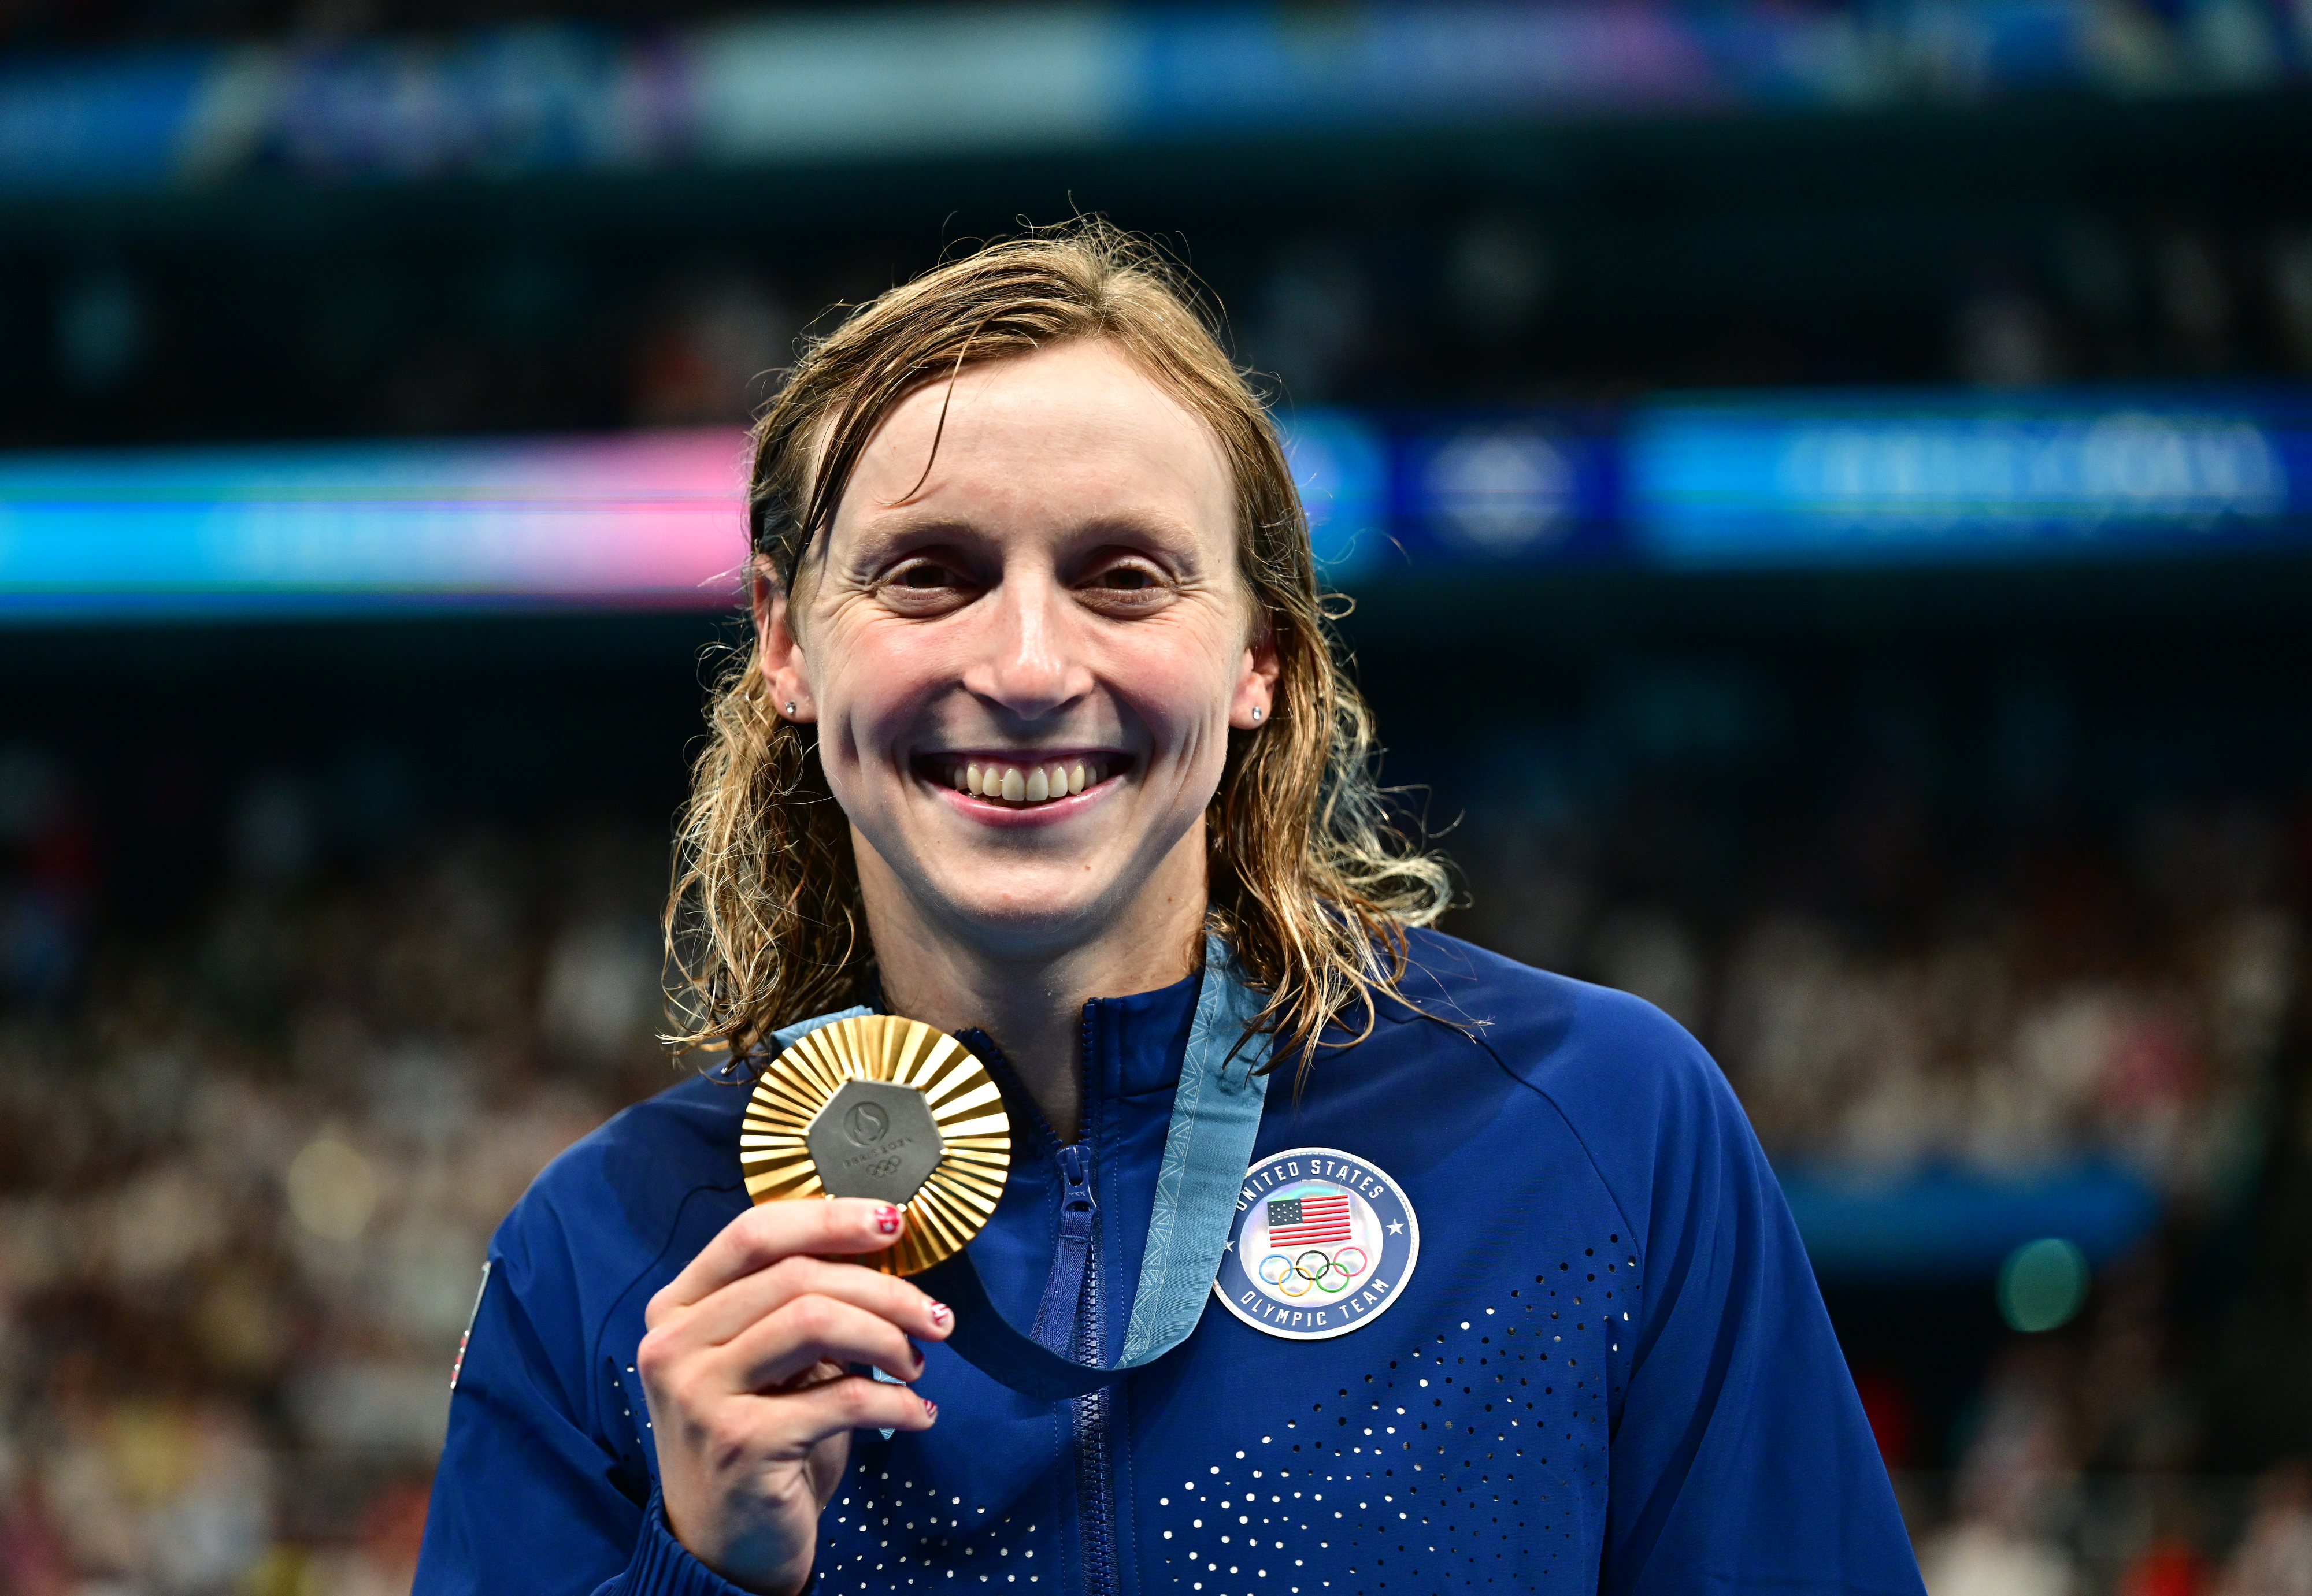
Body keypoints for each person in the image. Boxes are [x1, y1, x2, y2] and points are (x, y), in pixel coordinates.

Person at [413, 222, 1925, 1596]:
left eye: (1123, 577)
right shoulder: (610, 1259)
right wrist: (706, 1576)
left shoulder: (1598, 1135)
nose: (1023, 664)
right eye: (929, 575)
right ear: (785, 640)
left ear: (1256, 651)